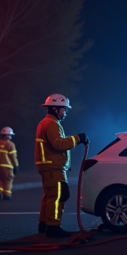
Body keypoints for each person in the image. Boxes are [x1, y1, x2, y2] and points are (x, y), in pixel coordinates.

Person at [35, 94, 88, 237]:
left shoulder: (45, 122)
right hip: (53, 166)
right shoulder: (52, 124)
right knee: (58, 195)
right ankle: (53, 227)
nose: (65, 112)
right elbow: (58, 144)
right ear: (55, 109)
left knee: (50, 196)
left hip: (48, 166)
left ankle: (44, 224)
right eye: (64, 109)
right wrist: (78, 138)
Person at [0, 127, 19, 200]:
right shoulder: (10, 144)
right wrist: (16, 166)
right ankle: (7, 195)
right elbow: (13, 157)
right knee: (8, 180)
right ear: (9, 135)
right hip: (7, 166)